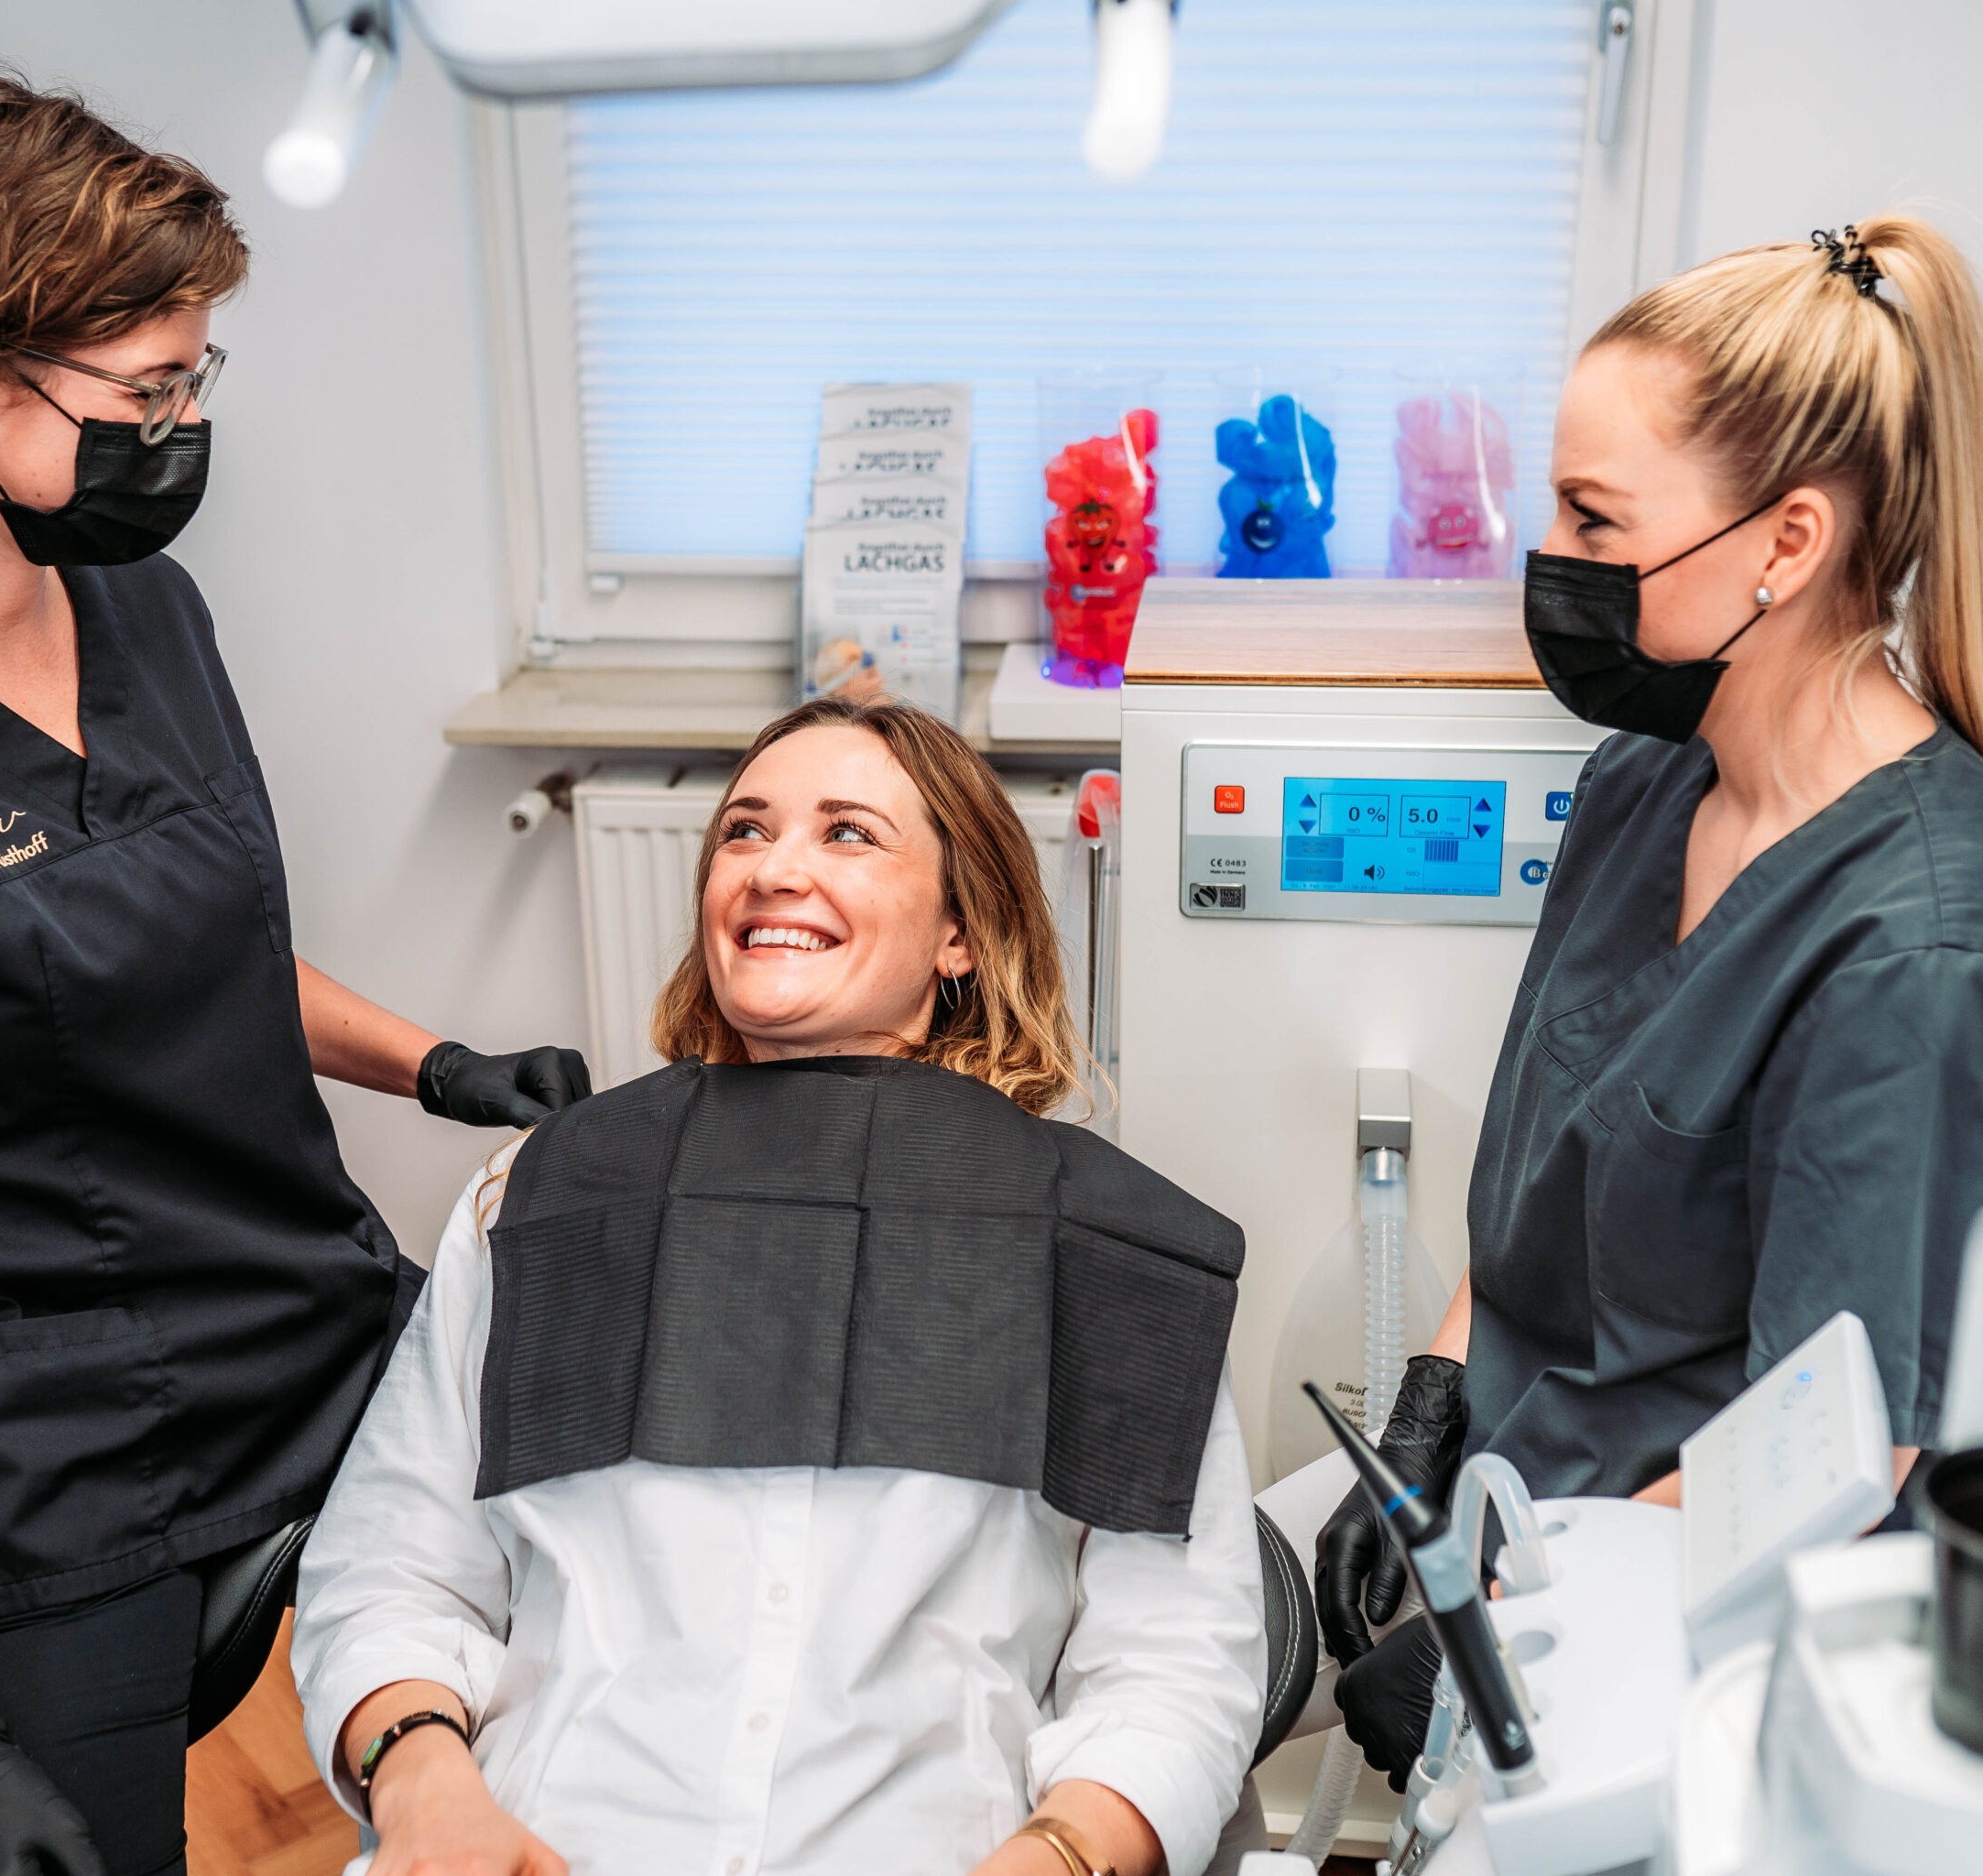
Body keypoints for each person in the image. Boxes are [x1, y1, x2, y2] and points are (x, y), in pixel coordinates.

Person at [0, 74, 588, 1876]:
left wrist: (434, 1061)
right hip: (35, 1461)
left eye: (193, 379)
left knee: (596, 1694)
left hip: (307, 1329)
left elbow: (180, 944)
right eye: (146, 392)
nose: (184, 427)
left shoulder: (142, 608)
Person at [292, 697, 1269, 1876]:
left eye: (847, 832)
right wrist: (425, 1789)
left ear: (960, 932)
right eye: (743, 831)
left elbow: (1175, 1665)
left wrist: (1058, 1852)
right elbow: (390, 1568)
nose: (771, 869)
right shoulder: (542, 1200)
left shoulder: (1102, 1243)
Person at [1317, 215, 1983, 1783]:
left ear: (1785, 543)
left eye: (1593, 515)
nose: (1548, 557)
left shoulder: (1908, 945)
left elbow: (1843, 1456)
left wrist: (1504, 1634)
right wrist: (1425, 1409)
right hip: (1507, 1490)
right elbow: (1533, 1206)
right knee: (1220, 1610)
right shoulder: (1645, 783)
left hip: (1671, 1605)